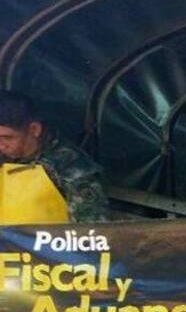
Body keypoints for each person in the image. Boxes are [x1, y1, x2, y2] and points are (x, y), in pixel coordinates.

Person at [0, 91, 106, 224]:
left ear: (34, 129)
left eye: (6, 138)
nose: (1, 146)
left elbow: (90, 230)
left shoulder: (71, 167)